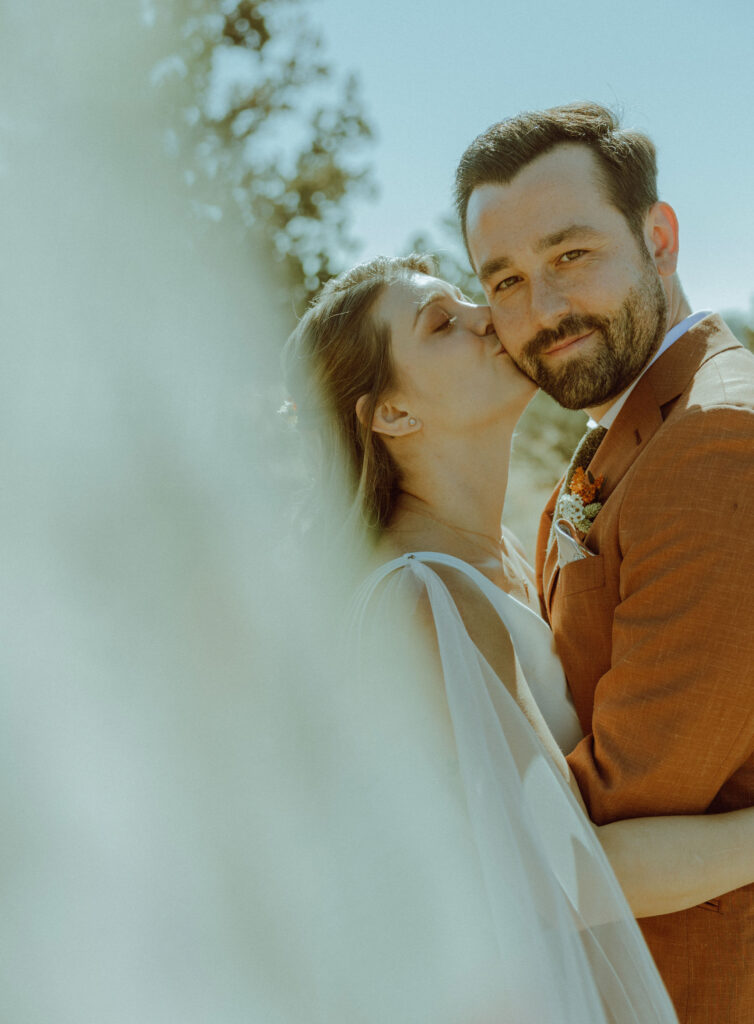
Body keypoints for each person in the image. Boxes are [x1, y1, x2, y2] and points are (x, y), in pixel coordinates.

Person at [284, 253, 754, 1024]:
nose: (487, 317)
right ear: (392, 414)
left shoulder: (497, 552)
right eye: (443, 323)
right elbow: (562, 873)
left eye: (470, 299)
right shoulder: (424, 598)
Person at [454, 102, 754, 1023]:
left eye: (570, 256)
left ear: (657, 238)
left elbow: (616, 817)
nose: (541, 310)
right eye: (503, 279)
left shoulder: (713, 444)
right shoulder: (624, 433)